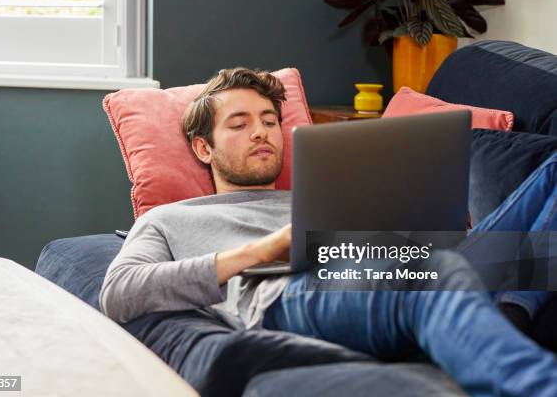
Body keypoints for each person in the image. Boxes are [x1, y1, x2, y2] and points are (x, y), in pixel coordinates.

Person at [99, 68, 557, 396]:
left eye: (270, 121)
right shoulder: (171, 218)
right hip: (290, 290)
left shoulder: (325, 189)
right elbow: (118, 292)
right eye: (239, 124)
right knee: (431, 271)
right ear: (203, 147)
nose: (261, 132)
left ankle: (509, 310)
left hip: (395, 266)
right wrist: (263, 251)